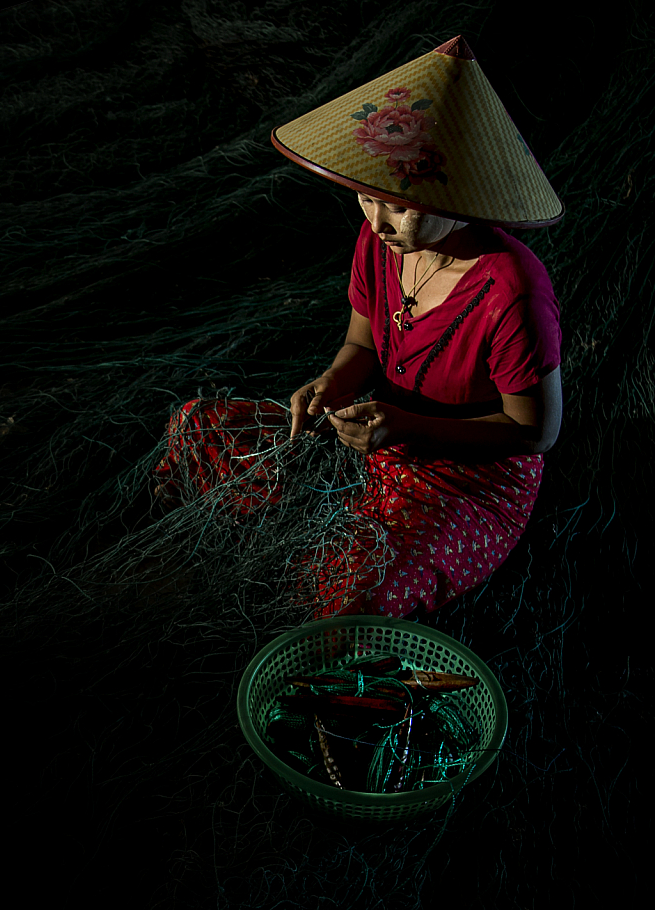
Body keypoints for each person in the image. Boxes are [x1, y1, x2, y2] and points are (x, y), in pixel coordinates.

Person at [154, 34, 564, 621]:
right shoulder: (379, 241)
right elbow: (361, 343)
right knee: (196, 427)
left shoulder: (512, 291)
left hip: (466, 481)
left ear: (466, 196)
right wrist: (334, 385)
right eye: (365, 197)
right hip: (370, 432)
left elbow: (533, 433)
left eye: (400, 204)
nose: (378, 219)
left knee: (357, 596)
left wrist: (407, 427)